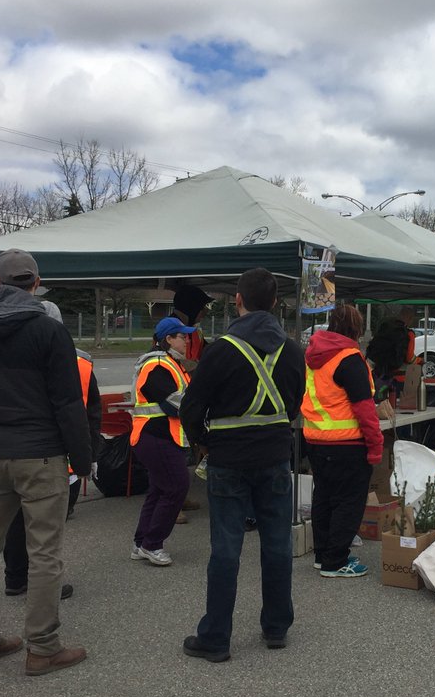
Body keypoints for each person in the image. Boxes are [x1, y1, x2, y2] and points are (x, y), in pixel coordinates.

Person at [0, 248, 91, 677]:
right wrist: (83, 459)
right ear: (36, 282)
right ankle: (43, 646)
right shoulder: (49, 331)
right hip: (41, 454)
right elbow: (68, 402)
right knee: (44, 552)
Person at [180, 268, 305, 662]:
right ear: (274, 303)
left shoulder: (220, 349)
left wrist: (203, 441)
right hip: (274, 458)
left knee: (225, 550)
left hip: (228, 460)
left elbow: (191, 407)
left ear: (238, 300)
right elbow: (295, 406)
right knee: (278, 545)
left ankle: (216, 638)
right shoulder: (294, 351)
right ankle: (276, 627)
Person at [1, 300, 100, 598]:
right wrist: (87, 456)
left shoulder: (8, 356)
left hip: (9, 451)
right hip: (55, 455)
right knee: (46, 529)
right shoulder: (79, 362)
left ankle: (16, 577)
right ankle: (43, 587)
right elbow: (86, 413)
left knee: (16, 520)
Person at [300, 303, 383, 577]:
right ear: (357, 329)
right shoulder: (349, 358)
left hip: (316, 439)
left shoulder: (314, 355)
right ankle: (336, 561)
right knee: (348, 502)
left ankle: (323, 555)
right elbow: (364, 407)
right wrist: (375, 445)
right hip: (347, 442)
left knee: (323, 497)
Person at [129, 316, 195, 566]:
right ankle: (152, 543)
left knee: (158, 490)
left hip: (157, 436)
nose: (187, 340)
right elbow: (176, 404)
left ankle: (141, 543)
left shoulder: (170, 363)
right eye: (183, 336)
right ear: (168, 339)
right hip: (155, 435)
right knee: (177, 487)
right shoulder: (157, 364)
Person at [172, 284, 213, 366]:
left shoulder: (194, 329)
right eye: (202, 308)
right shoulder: (170, 331)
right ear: (192, 309)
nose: (205, 312)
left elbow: (206, 351)